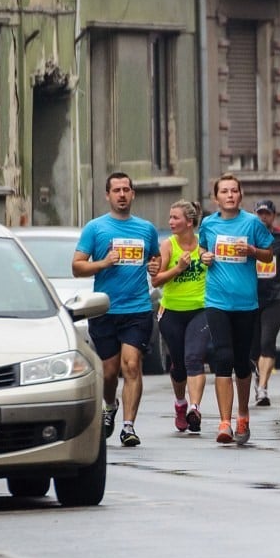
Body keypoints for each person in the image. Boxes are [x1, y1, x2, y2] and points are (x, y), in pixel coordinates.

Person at [72, 172, 161, 447]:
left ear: (133, 194)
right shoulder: (95, 229)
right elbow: (77, 267)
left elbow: (155, 257)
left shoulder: (146, 229)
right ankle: (110, 406)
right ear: (107, 195)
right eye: (116, 190)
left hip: (137, 309)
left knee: (131, 366)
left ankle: (129, 427)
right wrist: (103, 263)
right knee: (110, 372)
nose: (122, 195)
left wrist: (154, 266)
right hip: (104, 309)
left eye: (126, 190)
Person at [198, 173, 274, 445]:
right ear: (215, 197)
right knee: (223, 357)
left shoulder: (252, 223)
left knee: (242, 362)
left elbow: (269, 253)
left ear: (240, 195)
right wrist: (204, 257)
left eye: (234, 191)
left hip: (245, 303)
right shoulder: (208, 224)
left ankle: (243, 414)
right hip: (216, 300)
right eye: (224, 191)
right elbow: (202, 252)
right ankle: (224, 422)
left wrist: (252, 250)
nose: (229, 195)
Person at [151, 200, 209, 434]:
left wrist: (210, 260)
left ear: (189, 222)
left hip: (200, 309)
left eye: (175, 218)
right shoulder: (168, 245)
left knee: (194, 358)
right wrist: (178, 268)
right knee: (178, 365)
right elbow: (156, 280)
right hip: (171, 312)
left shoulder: (203, 246)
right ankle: (180, 404)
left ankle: (194, 409)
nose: (170, 222)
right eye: (170, 217)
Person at [250, 199, 280, 406]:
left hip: (275, 296)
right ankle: (257, 376)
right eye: (259, 213)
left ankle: (263, 388)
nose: (263, 217)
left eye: (266, 214)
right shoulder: (248, 235)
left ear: (273, 216)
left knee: (268, 342)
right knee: (252, 348)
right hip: (250, 298)